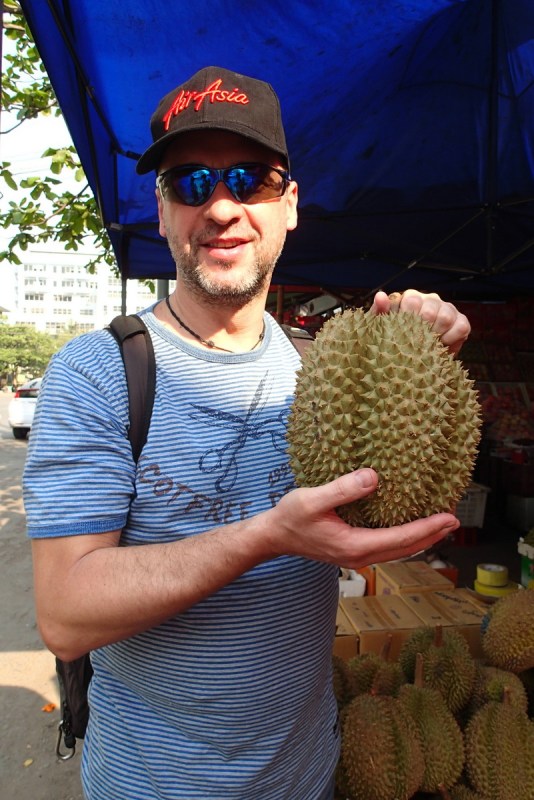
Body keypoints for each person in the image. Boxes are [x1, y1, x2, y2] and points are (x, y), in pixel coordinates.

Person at [24, 66, 470, 800]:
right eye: (191, 183)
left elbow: (395, 519)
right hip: (152, 786)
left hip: (307, 775)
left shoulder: (323, 366)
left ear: (289, 204)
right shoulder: (98, 373)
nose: (222, 206)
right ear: (162, 212)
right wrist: (268, 536)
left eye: (250, 179)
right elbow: (66, 616)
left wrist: (428, 356)